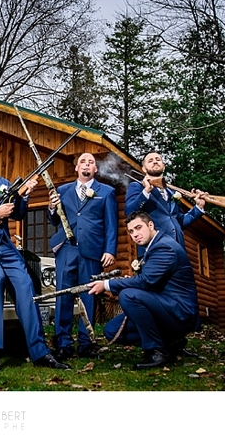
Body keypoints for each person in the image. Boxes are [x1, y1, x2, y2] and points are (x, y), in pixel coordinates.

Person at [0, 143, 70, 372]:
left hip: (4, 245)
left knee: (26, 285)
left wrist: (24, 195)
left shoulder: (4, 184)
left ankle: (40, 352)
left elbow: (18, 213)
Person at [87, 211, 200, 369]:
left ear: (151, 225)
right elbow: (150, 281)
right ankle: (171, 343)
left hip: (179, 311)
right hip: (163, 306)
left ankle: (157, 351)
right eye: (131, 231)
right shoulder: (154, 246)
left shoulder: (164, 247)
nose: (135, 234)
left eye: (138, 228)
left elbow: (146, 281)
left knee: (128, 295)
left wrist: (106, 284)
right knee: (112, 331)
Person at [47, 152, 118, 361]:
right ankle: (63, 343)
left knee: (89, 296)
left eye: (91, 162)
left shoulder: (107, 192)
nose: (87, 164)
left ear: (95, 169)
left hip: (92, 251)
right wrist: (51, 207)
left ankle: (86, 344)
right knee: (63, 296)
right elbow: (53, 220)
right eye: (83, 162)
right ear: (76, 168)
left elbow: (111, 225)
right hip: (67, 249)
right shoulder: (62, 191)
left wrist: (110, 250)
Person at [124, 152, 206, 258]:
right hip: (155, 249)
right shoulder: (137, 186)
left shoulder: (172, 192)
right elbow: (129, 212)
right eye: (150, 160)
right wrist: (146, 192)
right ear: (144, 169)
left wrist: (198, 207)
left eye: (158, 159)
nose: (155, 161)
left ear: (164, 166)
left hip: (178, 249)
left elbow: (179, 222)